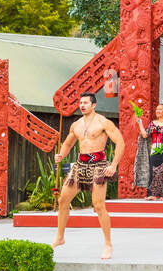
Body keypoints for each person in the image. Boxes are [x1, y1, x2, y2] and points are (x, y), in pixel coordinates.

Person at [52, 92, 126, 259]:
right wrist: (61, 155)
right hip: (80, 165)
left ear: (94, 105)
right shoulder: (76, 125)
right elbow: (68, 144)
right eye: (81, 103)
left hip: (98, 165)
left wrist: (113, 165)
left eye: (86, 103)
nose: (82, 105)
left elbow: (120, 142)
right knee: (63, 200)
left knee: (98, 205)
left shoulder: (103, 122)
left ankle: (108, 244)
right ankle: (60, 237)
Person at [134, 101, 163, 200]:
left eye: (160, 109)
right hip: (154, 149)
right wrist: (139, 122)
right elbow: (145, 135)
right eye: (157, 109)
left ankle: (162, 194)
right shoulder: (153, 123)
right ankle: (152, 194)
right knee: (153, 171)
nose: (157, 111)